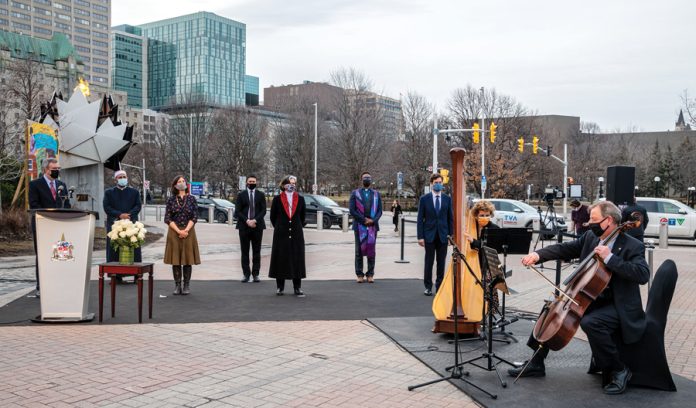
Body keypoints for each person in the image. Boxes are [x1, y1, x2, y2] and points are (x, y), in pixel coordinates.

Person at [509, 201, 649, 396]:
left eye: (593, 219)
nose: (588, 224)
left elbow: (642, 275)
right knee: (550, 308)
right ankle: (536, 362)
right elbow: (565, 248)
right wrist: (538, 255)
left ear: (608, 221)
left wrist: (610, 258)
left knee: (591, 322)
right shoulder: (592, 237)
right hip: (590, 297)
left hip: (617, 304)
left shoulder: (632, 245)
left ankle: (619, 370)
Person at [28, 158, 70, 298]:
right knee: (43, 256)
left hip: (60, 226)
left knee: (60, 255)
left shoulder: (61, 184)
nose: (57, 171)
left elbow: (67, 204)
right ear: (46, 170)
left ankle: (59, 283)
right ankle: (41, 286)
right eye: (54, 169)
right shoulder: (35, 185)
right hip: (43, 225)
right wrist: (51, 213)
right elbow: (34, 205)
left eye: (58, 168)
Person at [268, 175, 307, 297]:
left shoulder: (300, 199)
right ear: (284, 184)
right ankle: (280, 287)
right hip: (281, 232)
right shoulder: (277, 199)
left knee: (297, 258)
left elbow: (302, 217)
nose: (292, 185)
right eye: (290, 183)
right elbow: (273, 217)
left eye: (294, 183)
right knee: (281, 258)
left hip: (296, 232)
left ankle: (297, 287)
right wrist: (280, 226)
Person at [163, 175, 201, 295]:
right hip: (174, 232)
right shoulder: (171, 200)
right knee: (176, 260)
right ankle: (177, 285)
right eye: (179, 181)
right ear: (175, 185)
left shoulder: (192, 199)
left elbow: (194, 216)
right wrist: (179, 231)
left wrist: (186, 230)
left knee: (187, 259)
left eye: (183, 181)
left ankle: (186, 286)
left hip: (189, 231)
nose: (181, 183)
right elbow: (167, 218)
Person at [417, 174, 454, 296]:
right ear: (431, 183)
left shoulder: (447, 199)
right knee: (429, 262)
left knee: (441, 263)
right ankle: (428, 286)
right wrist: (420, 237)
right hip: (429, 236)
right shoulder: (424, 199)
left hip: (443, 236)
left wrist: (450, 235)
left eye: (440, 182)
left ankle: (440, 287)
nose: (438, 184)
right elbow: (420, 219)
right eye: (436, 182)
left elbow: (450, 219)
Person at [103, 170, 142, 283]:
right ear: (115, 179)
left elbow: (138, 206)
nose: (122, 178)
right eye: (120, 177)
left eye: (124, 176)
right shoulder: (109, 192)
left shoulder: (134, 192)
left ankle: (136, 275)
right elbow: (107, 207)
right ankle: (116, 276)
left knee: (134, 247)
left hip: (131, 223)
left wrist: (128, 215)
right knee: (114, 249)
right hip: (115, 224)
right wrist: (120, 215)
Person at [465, 200, 500, 309]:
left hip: (488, 263)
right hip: (476, 262)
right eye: (482, 215)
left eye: (487, 215)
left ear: (491, 215)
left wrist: (473, 241)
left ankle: (490, 311)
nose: (484, 217)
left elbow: (488, 246)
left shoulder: (494, 229)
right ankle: (475, 308)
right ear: (476, 215)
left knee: (488, 288)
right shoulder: (473, 227)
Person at [349, 171, 383, 283]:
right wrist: (364, 220)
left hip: (373, 226)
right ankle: (359, 274)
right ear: (362, 180)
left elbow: (379, 211)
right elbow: (352, 210)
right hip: (359, 226)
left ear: (371, 180)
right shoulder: (355, 193)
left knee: (371, 250)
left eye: (368, 178)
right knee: (359, 251)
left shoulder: (376, 194)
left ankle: (370, 274)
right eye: (365, 178)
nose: (367, 180)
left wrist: (373, 220)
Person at [234, 175, 267, 283]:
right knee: (245, 251)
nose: (252, 183)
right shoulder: (241, 195)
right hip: (244, 226)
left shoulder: (261, 195)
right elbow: (237, 211)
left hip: (257, 226)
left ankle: (256, 274)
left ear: (256, 183)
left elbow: (263, 211)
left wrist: (254, 220)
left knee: (257, 251)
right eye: (250, 181)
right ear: (247, 183)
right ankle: (246, 274)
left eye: (254, 181)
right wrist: (247, 221)